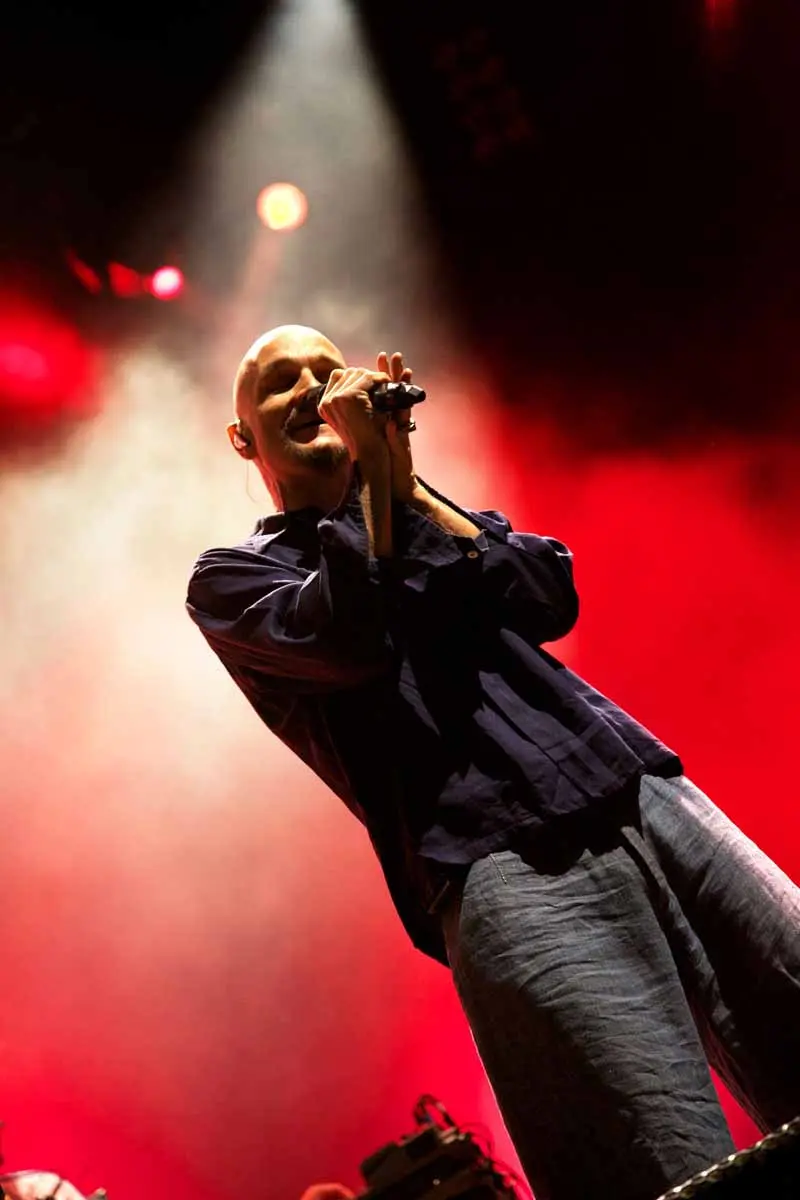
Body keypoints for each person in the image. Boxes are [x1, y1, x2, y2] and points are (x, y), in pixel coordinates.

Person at [186, 324, 800, 1200]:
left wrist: (404, 483)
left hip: (634, 784)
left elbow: (547, 593)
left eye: (328, 370)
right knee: (654, 1149)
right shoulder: (232, 579)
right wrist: (377, 489)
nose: (316, 389)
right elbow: (351, 634)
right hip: (497, 861)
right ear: (242, 437)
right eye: (283, 383)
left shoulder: (413, 508)